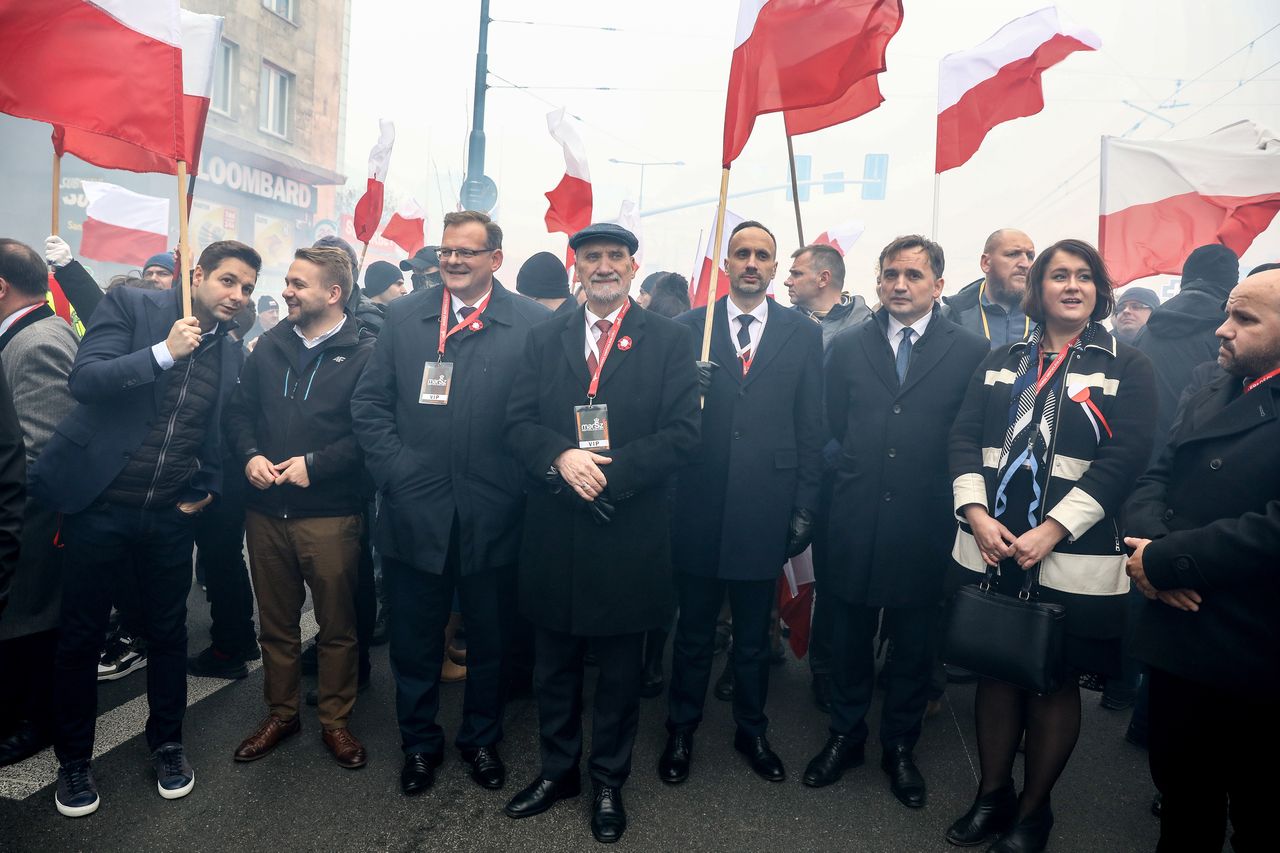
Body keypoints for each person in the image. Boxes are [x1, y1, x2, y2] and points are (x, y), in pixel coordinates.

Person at [30, 240, 259, 818]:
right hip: (97, 506)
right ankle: (75, 761)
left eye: (248, 288)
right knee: (81, 637)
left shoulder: (229, 351)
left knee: (168, 633)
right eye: (229, 281)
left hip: (166, 515)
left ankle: (169, 744)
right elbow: (85, 381)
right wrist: (162, 352)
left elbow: (211, 425)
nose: (238, 296)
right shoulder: (133, 307)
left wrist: (204, 485)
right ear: (198, 274)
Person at [946, 238, 1155, 852]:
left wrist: (1054, 529)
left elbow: (1125, 459)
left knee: (1052, 680)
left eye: (1084, 276)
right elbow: (962, 437)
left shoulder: (1127, 364)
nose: (1071, 285)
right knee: (996, 673)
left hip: (1072, 553)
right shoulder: (1002, 356)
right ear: (1035, 289)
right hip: (991, 546)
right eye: (1057, 275)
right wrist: (975, 511)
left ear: (1099, 290)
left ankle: (1034, 812)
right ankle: (992, 797)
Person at [503, 222, 699, 844]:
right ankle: (558, 771)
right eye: (593, 257)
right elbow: (518, 422)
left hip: (628, 526)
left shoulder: (668, 340)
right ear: (576, 266)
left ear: (634, 268)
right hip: (557, 524)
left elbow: (683, 435)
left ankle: (609, 780)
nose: (605, 266)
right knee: (554, 663)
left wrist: (608, 478)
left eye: (617, 256)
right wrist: (563, 459)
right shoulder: (545, 337)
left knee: (618, 670)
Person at [351, 211, 549, 796]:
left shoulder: (531, 324)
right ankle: (418, 745)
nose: (454, 261)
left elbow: (543, 415)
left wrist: (517, 483)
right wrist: (398, 473)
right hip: (417, 512)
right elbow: (370, 406)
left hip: (495, 513)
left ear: (496, 257)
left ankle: (481, 740)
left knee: (491, 641)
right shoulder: (404, 316)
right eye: (446, 251)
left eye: (468, 251)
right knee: (414, 642)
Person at [805, 236, 989, 808]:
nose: (899, 285)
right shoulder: (850, 345)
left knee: (915, 643)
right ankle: (845, 736)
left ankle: (900, 747)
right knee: (849, 637)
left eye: (913, 275)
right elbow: (828, 423)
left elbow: (974, 433)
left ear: (938, 284)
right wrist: (847, 467)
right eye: (890, 275)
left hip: (927, 522)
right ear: (878, 281)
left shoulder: (969, 350)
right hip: (855, 518)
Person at [660, 220, 823, 786]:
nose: (751, 262)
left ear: (775, 268)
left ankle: (751, 729)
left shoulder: (802, 334)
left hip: (765, 507)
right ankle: (680, 728)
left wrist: (805, 504)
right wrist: (688, 389)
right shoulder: (686, 331)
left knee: (755, 637)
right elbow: (663, 424)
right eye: (741, 253)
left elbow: (811, 425)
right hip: (699, 506)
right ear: (725, 264)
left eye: (762, 255)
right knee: (694, 633)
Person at [1124, 267, 1280, 853]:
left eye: (1244, 319)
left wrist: (1171, 561)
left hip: (1254, 646)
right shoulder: (1211, 386)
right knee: (1185, 798)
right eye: (1228, 313)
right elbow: (1154, 475)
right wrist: (1149, 555)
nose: (1222, 330)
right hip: (1181, 640)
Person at [224, 246, 375, 769]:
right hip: (266, 512)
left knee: (336, 628)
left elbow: (371, 435)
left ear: (333, 294)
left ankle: (336, 721)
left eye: (297, 283)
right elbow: (239, 415)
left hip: (330, 516)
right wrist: (249, 456)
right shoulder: (268, 344)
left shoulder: (365, 353)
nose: (285, 290)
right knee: (277, 625)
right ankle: (281, 713)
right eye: (287, 280)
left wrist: (318, 464)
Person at [784, 242, 871, 709]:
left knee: (835, 578)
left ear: (823, 278)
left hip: (839, 472)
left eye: (795, 272)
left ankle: (827, 667)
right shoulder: (783, 324)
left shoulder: (868, 329)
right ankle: (753, 656)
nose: (786, 280)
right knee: (772, 562)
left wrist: (832, 453)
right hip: (790, 466)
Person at [0, 238, 77, 766]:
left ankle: (37, 721)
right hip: (22, 514)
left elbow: (38, 448)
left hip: (31, 516)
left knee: (32, 621)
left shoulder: (39, 341)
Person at [1134, 244, 1239, 461]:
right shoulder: (1233, 332)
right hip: (1196, 461)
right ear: (1231, 282)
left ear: (1186, 277)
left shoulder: (1147, 329)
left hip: (1138, 457)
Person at [944, 229, 1035, 348]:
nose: (1025, 264)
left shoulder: (1049, 316)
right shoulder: (949, 317)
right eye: (1013, 254)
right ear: (986, 263)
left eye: (1030, 256)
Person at [785, 243, 871, 347]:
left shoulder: (869, 327)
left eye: (797, 274)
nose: (787, 282)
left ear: (823, 279)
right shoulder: (782, 324)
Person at [516, 251, 575, 315]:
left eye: (522, 298)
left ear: (533, 298)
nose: (522, 308)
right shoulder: (576, 317)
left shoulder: (578, 322)